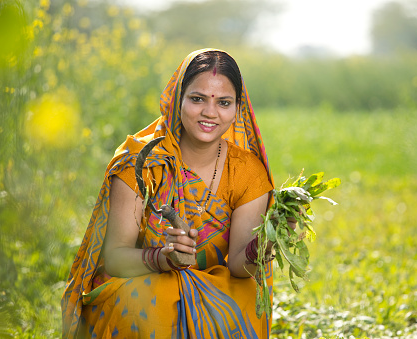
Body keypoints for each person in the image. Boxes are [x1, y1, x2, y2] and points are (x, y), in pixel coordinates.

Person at [61, 48, 276, 338]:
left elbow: (239, 266)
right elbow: (115, 257)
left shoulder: (247, 172)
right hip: (140, 283)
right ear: (178, 99)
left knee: (246, 294)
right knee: (152, 304)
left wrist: (268, 240)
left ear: (238, 109)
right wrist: (164, 258)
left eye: (223, 102)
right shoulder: (143, 162)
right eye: (197, 99)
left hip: (213, 289)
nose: (210, 113)